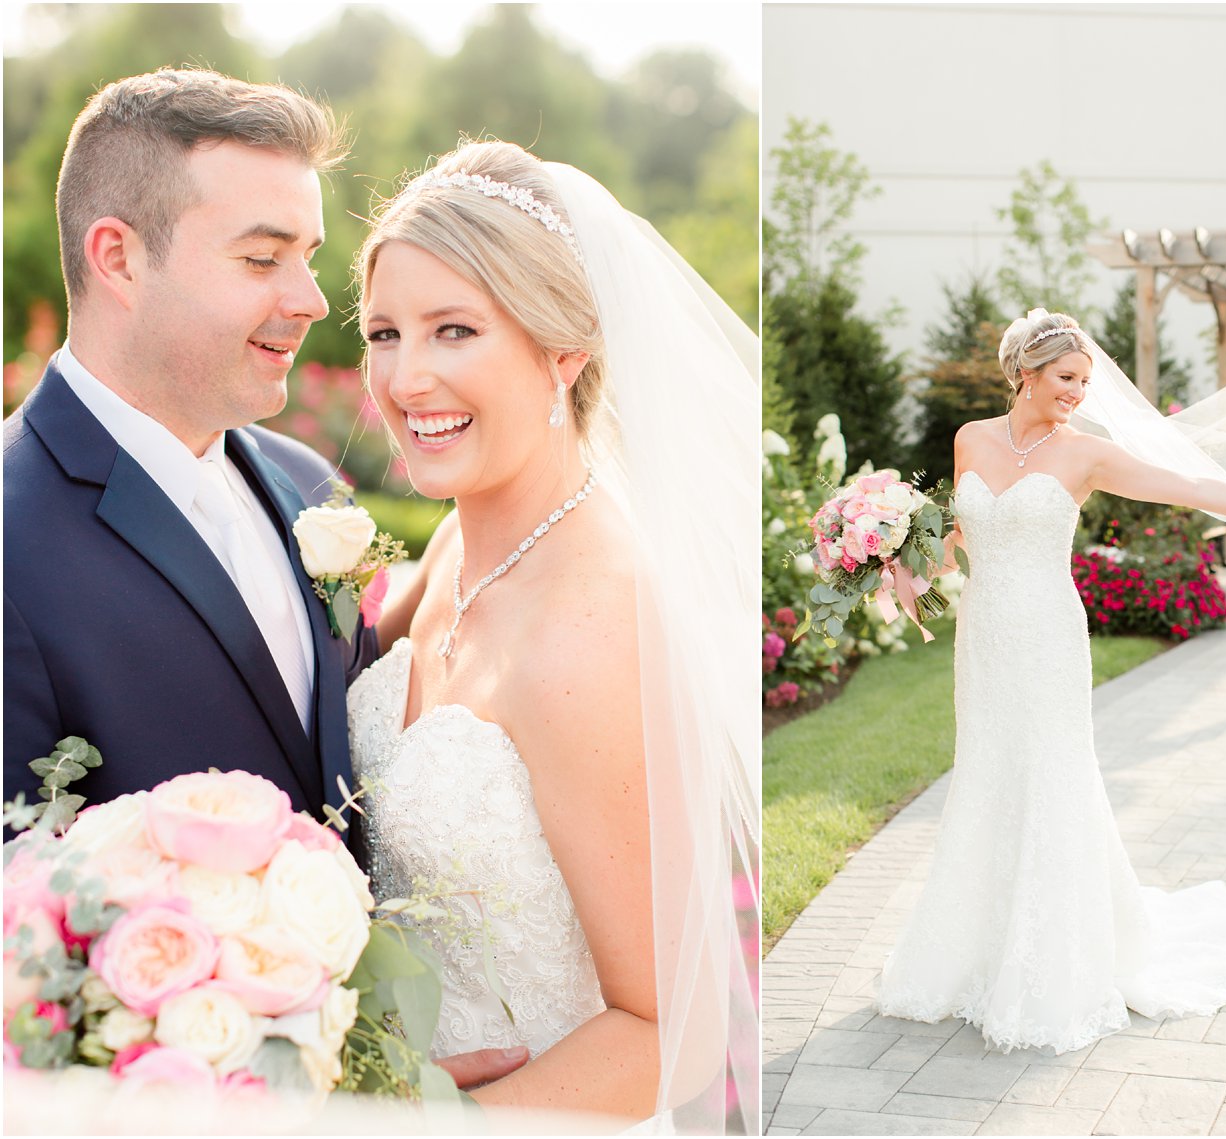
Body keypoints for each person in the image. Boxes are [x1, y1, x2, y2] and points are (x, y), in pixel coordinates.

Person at [2, 68, 523, 1094]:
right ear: (119, 258)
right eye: (261, 258)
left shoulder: (304, 484)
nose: (310, 300)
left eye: (310, 257)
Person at [349, 140, 759, 1130]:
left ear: (563, 350)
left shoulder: (590, 626)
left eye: (455, 329)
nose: (406, 377)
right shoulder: (463, 541)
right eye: (385, 331)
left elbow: (673, 1025)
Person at [875, 310, 1226, 1053]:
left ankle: (1055, 962)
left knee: (1052, 776)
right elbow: (961, 531)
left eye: (1085, 384)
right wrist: (898, 561)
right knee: (990, 772)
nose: (1077, 394)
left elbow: (1186, 486)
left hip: (1050, 637)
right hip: (985, 637)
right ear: (1024, 371)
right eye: (1066, 379)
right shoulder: (970, 439)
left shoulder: (1085, 455)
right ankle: (973, 952)